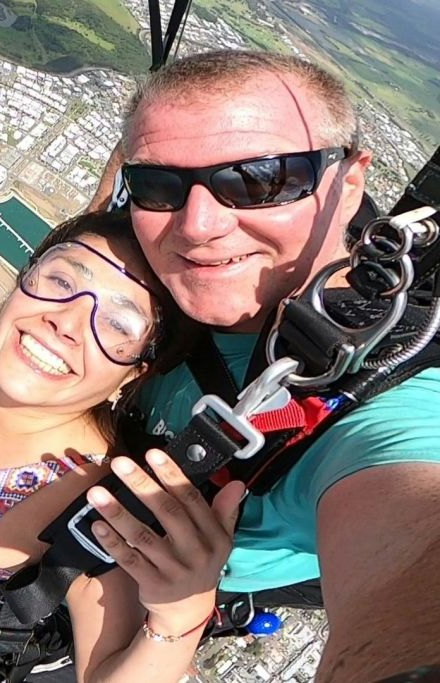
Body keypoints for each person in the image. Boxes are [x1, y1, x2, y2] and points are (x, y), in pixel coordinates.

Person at [78, 50, 440, 682]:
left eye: (259, 180)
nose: (198, 226)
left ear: (349, 183)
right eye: (160, 186)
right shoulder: (142, 257)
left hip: (174, 597)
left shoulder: (390, 398)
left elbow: (411, 532)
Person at [0, 211, 249, 682]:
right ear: (25, 277)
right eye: (61, 278)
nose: (65, 321)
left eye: (117, 323)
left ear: (137, 370)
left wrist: (181, 615)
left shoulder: (91, 505)